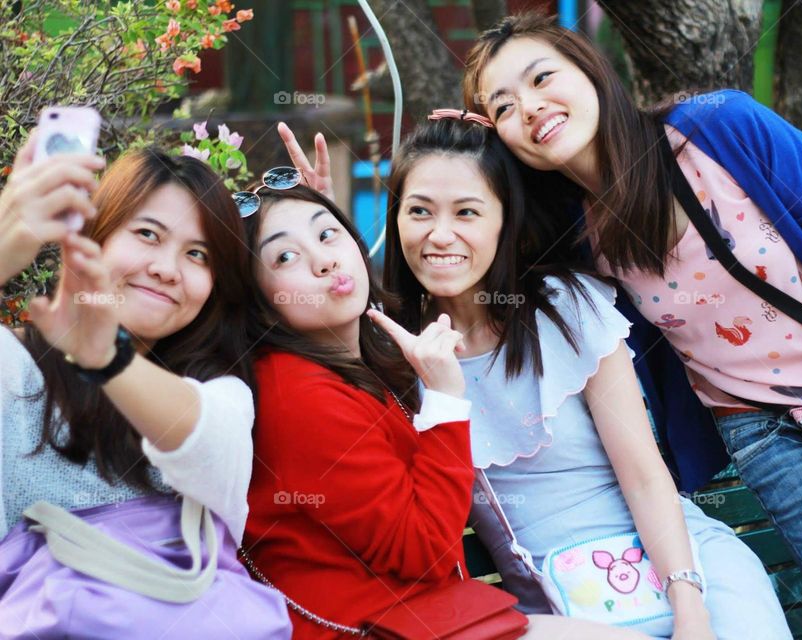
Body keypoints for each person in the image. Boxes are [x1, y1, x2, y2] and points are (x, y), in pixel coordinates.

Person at [462, 12, 802, 639]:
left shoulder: (719, 128)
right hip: (764, 431)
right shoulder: (570, 232)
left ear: (590, 72)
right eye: (503, 108)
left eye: (541, 79)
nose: (530, 108)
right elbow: (465, 262)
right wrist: (467, 155)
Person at [380, 114, 791, 639]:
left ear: (505, 220)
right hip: (566, 614)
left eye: (467, 211)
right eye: (419, 211)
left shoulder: (567, 310)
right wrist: (332, 233)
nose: (440, 235)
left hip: (689, 571)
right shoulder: (393, 356)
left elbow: (644, 475)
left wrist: (691, 611)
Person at [238, 174, 657, 640]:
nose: (324, 260)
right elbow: (426, 552)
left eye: (327, 232)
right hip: (376, 627)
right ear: (258, 299)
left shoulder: (358, 360)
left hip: (425, 619)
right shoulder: (298, 394)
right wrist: (444, 401)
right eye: (285, 256)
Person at [0, 133, 287, 636]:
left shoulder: (218, 390)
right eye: (149, 235)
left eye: (198, 254)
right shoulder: (17, 366)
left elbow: (211, 444)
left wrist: (110, 360)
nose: (166, 269)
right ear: (95, 235)